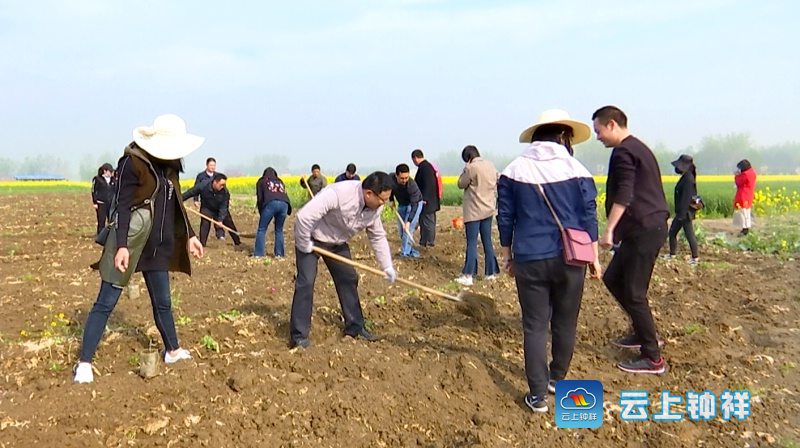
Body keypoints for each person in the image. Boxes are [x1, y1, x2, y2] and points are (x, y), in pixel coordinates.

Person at [75, 114, 205, 384]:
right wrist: (121, 245)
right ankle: (84, 363)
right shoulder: (132, 162)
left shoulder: (169, 167)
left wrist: (190, 236)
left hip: (158, 244)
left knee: (163, 302)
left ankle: (172, 350)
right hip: (131, 242)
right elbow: (121, 206)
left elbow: (176, 204)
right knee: (106, 302)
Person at [497, 109, 601, 413]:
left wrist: (507, 256)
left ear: (535, 137)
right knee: (565, 321)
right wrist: (593, 257)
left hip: (529, 256)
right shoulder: (577, 169)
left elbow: (506, 217)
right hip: (571, 257)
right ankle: (557, 377)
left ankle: (538, 395)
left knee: (534, 325)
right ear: (564, 136)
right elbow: (589, 215)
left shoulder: (513, 169)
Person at [592, 105, 669, 375]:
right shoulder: (639, 148)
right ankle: (641, 330)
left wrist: (609, 230)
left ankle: (653, 357)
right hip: (647, 227)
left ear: (612, 124)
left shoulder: (624, 151)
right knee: (613, 278)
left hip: (644, 229)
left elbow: (624, 192)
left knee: (635, 293)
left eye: (599, 131)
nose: (598, 136)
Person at [289, 172, 398, 348]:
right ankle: (299, 337)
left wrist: (387, 266)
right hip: (312, 239)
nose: (383, 204)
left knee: (348, 278)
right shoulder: (339, 193)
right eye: (382, 199)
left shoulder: (375, 208)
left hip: (337, 243)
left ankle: (355, 327)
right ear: (369, 193)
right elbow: (304, 217)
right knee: (306, 282)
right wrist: (303, 243)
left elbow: (377, 236)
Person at [455, 145, 500, 286]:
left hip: (474, 211)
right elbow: (498, 179)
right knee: (487, 240)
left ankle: (469, 275)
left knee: (472, 242)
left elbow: (461, 184)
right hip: (488, 209)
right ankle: (490, 273)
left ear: (468, 158)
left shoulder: (470, 168)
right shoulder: (490, 165)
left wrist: (465, 170)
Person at [181, 173, 244, 250]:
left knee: (229, 223)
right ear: (215, 182)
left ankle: (237, 242)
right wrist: (180, 200)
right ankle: (202, 244)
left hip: (219, 208)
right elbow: (190, 192)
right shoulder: (204, 185)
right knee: (205, 223)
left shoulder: (225, 192)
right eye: (221, 185)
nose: (223, 186)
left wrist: (220, 220)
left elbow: (224, 207)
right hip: (207, 207)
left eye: (224, 185)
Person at [663, 155, 699, 264]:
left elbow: (686, 198)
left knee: (689, 235)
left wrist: (681, 215)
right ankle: (672, 254)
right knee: (673, 233)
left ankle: (695, 258)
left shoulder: (688, 179)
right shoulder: (686, 176)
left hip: (684, 213)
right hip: (682, 212)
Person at [254, 167, 292, 258]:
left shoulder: (262, 181)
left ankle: (259, 254)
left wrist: (261, 212)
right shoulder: (280, 181)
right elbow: (283, 194)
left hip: (270, 203)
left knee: (261, 229)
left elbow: (260, 198)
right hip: (284, 204)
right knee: (279, 230)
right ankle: (279, 254)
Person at [390, 163, 423, 258]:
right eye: (402, 178)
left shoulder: (412, 186)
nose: (404, 180)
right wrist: (391, 200)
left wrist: (409, 221)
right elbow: (389, 189)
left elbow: (414, 205)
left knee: (407, 230)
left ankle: (404, 254)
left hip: (414, 204)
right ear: (396, 176)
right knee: (401, 231)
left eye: (406, 178)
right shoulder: (390, 179)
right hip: (402, 204)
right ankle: (413, 252)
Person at [411, 149, 440, 247]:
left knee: (428, 222)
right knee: (423, 222)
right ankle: (424, 241)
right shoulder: (425, 167)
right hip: (428, 200)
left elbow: (428, 185)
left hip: (427, 201)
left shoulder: (425, 168)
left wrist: (424, 199)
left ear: (415, 158)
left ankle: (429, 242)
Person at [193, 157, 224, 239]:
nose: (212, 167)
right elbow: (196, 188)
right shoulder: (201, 176)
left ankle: (220, 235)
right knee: (205, 222)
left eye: (214, 165)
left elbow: (223, 189)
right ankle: (203, 239)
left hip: (217, 202)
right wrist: (196, 199)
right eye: (211, 165)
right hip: (206, 203)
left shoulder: (218, 176)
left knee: (218, 219)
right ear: (207, 165)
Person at [91, 163, 115, 234]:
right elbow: (94, 191)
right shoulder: (97, 179)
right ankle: (100, 235)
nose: (111, 173)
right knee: (101, 221)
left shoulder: (113, 180)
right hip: (101, 203)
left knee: (111, 220)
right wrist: (95, 202)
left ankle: (110, 235)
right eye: (110, 171)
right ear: (105, 171)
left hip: (111, 204)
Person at [734, 159, 757, 236]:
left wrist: (737, 176)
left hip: (743, 194)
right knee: (747, 212)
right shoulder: (752, 172)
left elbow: (739, 182)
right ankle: (747, 227)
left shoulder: (745, 174)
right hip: (749, 194)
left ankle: (744, 229)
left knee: (742, 212)